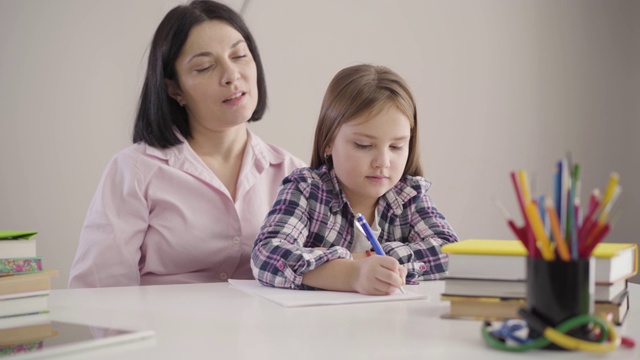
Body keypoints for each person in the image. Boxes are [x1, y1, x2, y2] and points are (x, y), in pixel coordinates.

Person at [68, 0, 304, 288]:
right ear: (174, 88)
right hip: (162, 331)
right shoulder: (134, 171)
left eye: (240, 55)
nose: (231, 75)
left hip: (265, 332)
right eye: (205, 67)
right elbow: (98, 291)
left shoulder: (294, 174)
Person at [251, 64, 458, 295]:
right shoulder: (306, 189)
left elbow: (451, 253)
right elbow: (267, 255)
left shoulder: (409, 195)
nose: (383, 161)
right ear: (328, 142)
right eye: (364, 145)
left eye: (396, 146)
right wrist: (353, 272)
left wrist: (371, 258)